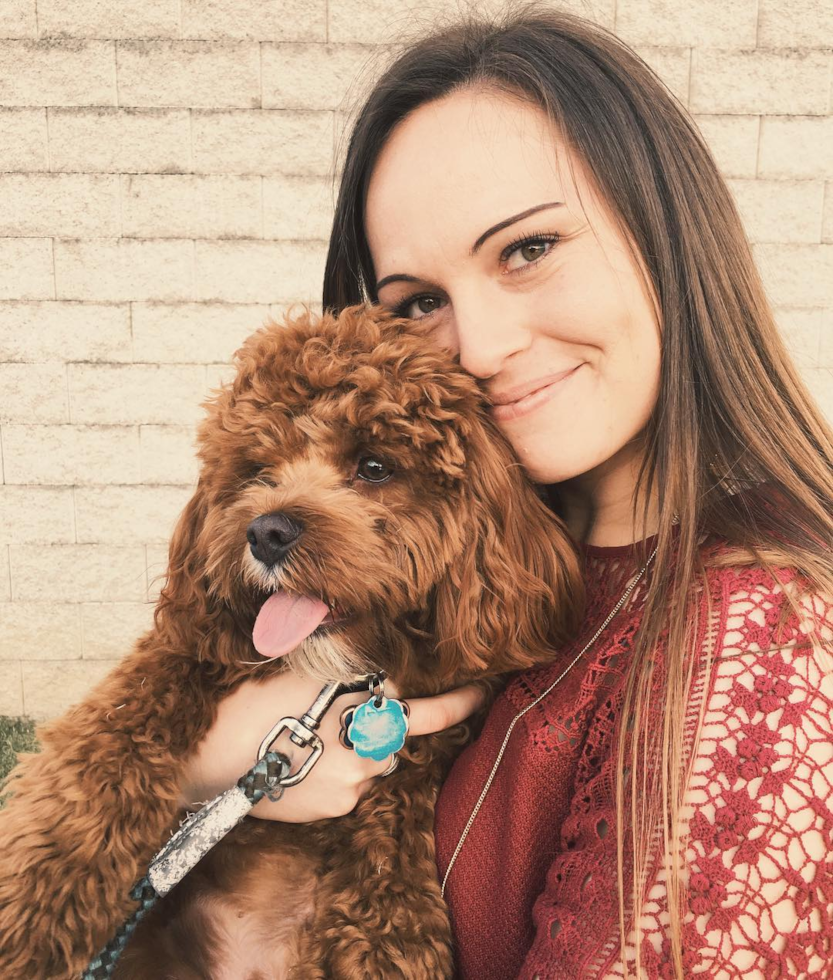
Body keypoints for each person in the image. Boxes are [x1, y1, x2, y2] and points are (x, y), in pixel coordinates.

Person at [180, 4, 833, 977]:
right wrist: (202, 760)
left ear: (665, 228)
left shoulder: (758, 635)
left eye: (527, 249)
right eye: (417, 302)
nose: (477, 349)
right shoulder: (479, 565)